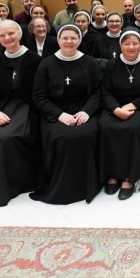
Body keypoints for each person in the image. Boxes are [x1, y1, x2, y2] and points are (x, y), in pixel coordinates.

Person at [0, 20, 42, 207]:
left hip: (27, 107)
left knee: (7, 138)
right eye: (2, 35)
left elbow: (41, 93)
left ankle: (13, 185)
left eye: (11, 33)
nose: (7, 38)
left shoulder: (35, 60)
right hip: (0, 108)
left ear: (19, 34)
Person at [31, 25, 102, 204]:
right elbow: (39, 96)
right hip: (54, 111)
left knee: (87, 134)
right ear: (58, 40)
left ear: (79, 40)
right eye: (65, 38)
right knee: (62, 137)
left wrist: (86, 111)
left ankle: (86, 185)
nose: (69, 41)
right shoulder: (46, 64)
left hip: (83, 110)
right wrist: (59, 115)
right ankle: (62, 187)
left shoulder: (90, 62)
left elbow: (97, 92)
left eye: (73, 38)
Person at [99, 30, 140, 200]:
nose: (131, 47)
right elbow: (106, 91)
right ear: (120, 46)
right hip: (116, 106)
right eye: (127, 44)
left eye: (135, 43)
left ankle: (130, 177)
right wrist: (115, 109)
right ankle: (112, 173)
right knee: (105, 126)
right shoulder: (112, 64)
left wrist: (133, 105)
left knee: (134, 127)